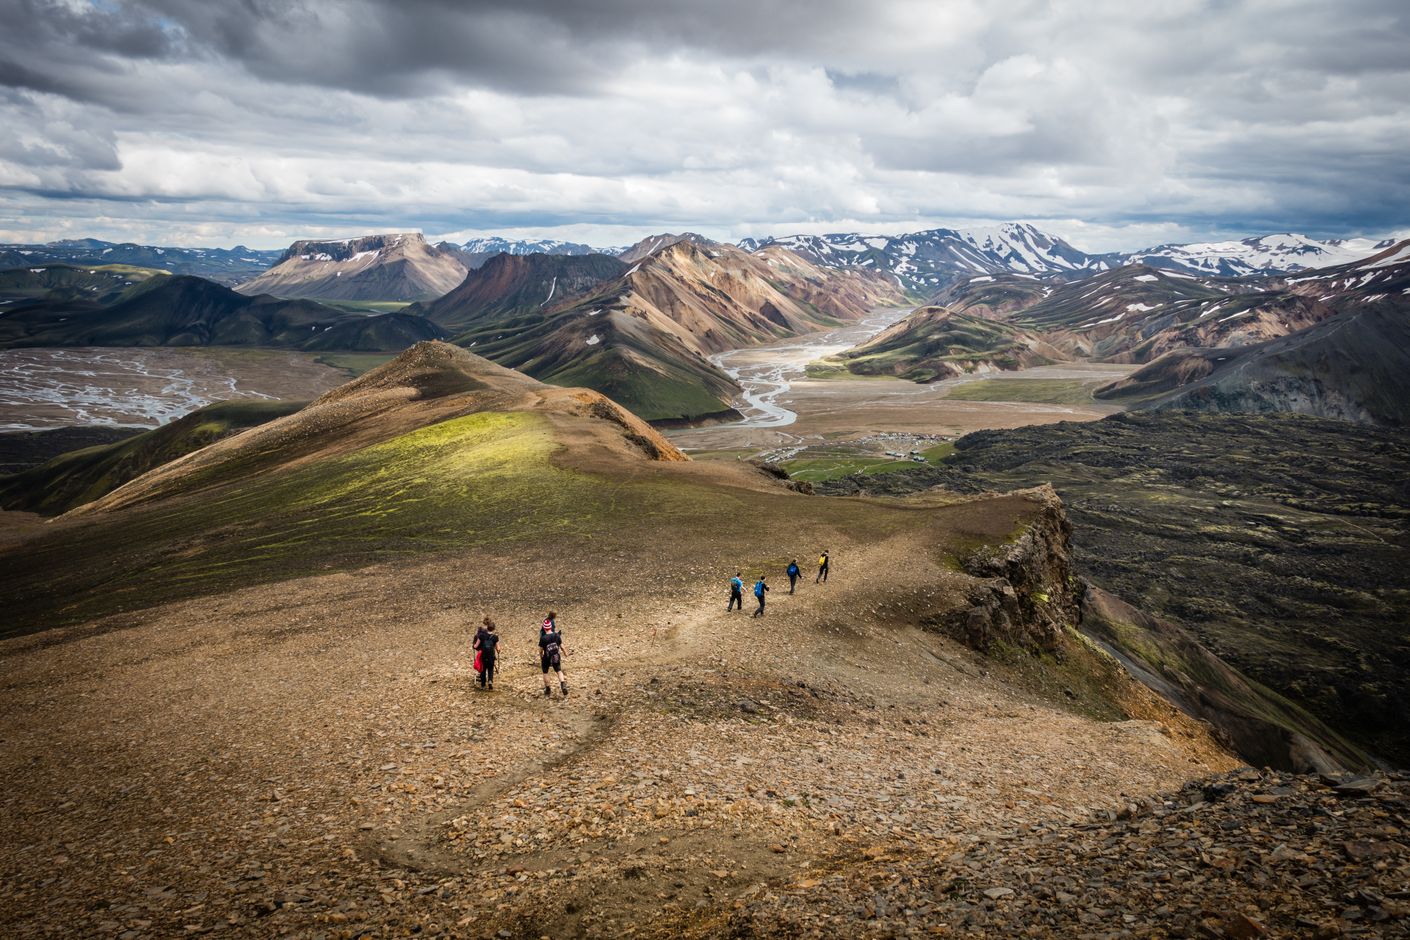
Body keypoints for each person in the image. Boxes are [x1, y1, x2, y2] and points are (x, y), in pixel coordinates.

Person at [539, 611, 568, 698]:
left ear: (544, 628)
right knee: (559, 671)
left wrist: (541, 656)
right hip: (556, 656)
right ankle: (563, 684)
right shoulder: (557, 636)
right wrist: (565, 653)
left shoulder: (543, 638)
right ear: (551, 627)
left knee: (545, 672)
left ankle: (548, 689)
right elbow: (562, 646)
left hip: (546, 658)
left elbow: (540, 650)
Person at [474, 616, 500, 690]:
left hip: (483, 655)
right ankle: (490, 681)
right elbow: (498, 648)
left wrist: (474, 646)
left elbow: (476, 645)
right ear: (494, 629)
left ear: (487, 627)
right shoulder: (495, 637)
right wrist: (498, 651)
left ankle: (482, 684)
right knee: (490, 669)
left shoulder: (481, 635)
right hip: (491, 656)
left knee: (483, 669)